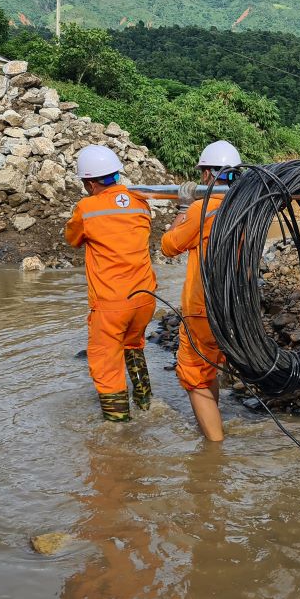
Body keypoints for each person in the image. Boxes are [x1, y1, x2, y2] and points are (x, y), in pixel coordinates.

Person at [65, 144, 157, 422]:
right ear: (116, 175)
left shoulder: (87, 207)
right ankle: (145, 402)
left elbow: (73, 239)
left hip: (111, 303)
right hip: (145, 298)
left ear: (90, 182)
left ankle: (119, 429)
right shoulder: (140, 201)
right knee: (133, 345)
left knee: (106, 365)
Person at [160, 140, 241, 442]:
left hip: (202, 306)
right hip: (233, 308)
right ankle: (212, 423)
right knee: (210, 367)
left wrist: (182, 209)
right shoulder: (248, 206)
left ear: (207, 175)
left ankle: (213, 453)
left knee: (194, 374)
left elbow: (169, 247)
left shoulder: (201, 208)